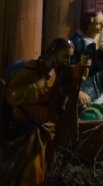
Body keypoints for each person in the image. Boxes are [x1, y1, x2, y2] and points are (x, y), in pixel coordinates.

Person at [0, 38, 90, 186]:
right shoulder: (30, 70)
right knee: (29, 170)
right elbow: (12, 95)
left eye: (70, 57)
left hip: (42, 128)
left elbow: (72, 76)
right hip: (22, 130)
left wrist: (82, 66)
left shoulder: (57, 70)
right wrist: (39, 89)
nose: (68, 61)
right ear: (53, 53)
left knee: (39, 170)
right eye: (65, 56)